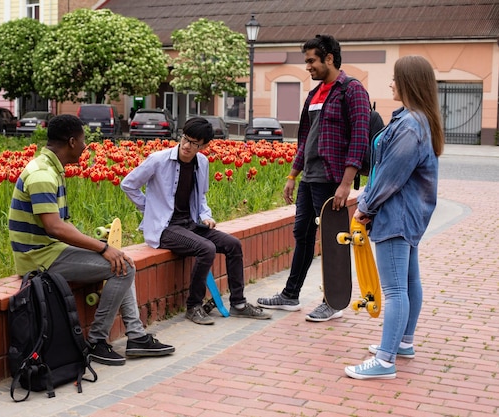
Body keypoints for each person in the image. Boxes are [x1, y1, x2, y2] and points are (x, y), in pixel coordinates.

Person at [8, 114, 174, 366]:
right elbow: (54, 227)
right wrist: (103, 247)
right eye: (83, 141)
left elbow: (61, 225)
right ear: (72, 141)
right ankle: (97, 341)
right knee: (123, 267)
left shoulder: (51, 168)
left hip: (51, 251)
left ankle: (136, 337)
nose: (86, 147)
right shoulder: (42, 174)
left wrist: (103, 250)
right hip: (39, 258)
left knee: (122, 262)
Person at [257, 34, 371, 322]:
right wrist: (293, 175)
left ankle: (333, 302)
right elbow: (305, 138)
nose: (307, 67)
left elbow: (359, 138)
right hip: (310, 179)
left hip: (332, 179)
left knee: (333, 240)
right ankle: (290, 295)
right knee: (302, 234)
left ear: (329, 58)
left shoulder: (352, 90)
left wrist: (346, 183)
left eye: (311, 61)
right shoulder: (315, 94)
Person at [345, 55, 444, 379]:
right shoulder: (418, 120)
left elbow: (389, 175)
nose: (390, 83)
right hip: (409, 215)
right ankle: (403, 343)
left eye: (394, 78)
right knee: (409, 282)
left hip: (396, 216)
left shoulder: (410, 126)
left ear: (408, 83)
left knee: (394, 290)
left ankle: (385, 361)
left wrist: (365, 208)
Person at [121, 116, 271, 325]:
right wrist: (149, 210)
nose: (187, 146)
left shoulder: (202, 162)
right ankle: (193, 306)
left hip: (189, 224)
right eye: (185, 139)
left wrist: (206, 216)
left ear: (204, 146)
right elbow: (128, 184)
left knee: (233, 245)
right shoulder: (158, 160)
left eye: (195, 144)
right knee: (207, 248)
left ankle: (238, 303)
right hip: (165, 228)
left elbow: (201, 197)